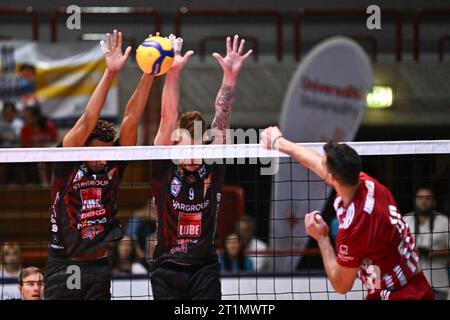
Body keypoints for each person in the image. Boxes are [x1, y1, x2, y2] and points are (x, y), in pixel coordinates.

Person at [260, 128, 434, 300]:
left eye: (324, 164)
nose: (320, 163)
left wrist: (322, 238)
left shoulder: (355, 226)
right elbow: (314, 161)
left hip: (398, 294)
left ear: (332, 178)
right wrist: (279, 142)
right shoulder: (366, 182)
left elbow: (341, 285)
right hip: (416, 283)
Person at [44, 29, 154, 300]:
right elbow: (87, 119)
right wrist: (111, 73)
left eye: (106, 153)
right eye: (96, 153)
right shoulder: (67, 160)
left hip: (99, 265)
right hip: (64, 263)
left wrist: (150, 72)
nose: (102, 159)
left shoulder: (113, 165)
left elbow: (130, 118)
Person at [150, 34, 252, 300]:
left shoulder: (212, 164)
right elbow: (168, 116)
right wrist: (172, 74)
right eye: (186, 148)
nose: (193, 155)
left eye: (197, 147)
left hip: (204, 268)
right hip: (166, 268)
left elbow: (222, 116)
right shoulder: (163, 165)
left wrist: (229, 78)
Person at [403, 187, 450, 300]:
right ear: (415, 201)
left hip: (438, 282)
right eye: (420, 198)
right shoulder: (405, 220)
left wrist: (432, 253)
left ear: (434, 202)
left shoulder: (444, 221)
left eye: (427, 198)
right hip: (410, 283)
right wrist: (413, 252)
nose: (424, 201)